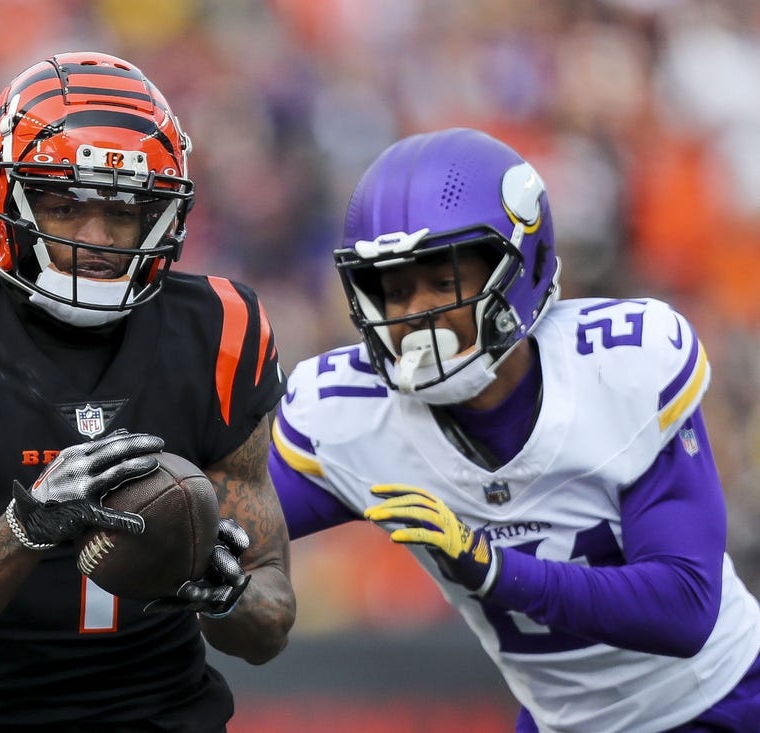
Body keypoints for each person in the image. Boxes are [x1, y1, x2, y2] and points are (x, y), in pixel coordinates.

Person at [0, 51, 295, 732]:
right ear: (4, 201)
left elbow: (271, 619)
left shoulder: (223, 328)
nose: (97, 239)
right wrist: (26, 527)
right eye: (64, 206)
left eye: (123, 211)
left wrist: (229, 594)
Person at [269, 127, 760, 732]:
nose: (416, 313)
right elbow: (216, 526)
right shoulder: (353, 415)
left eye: (444, 281)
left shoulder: (619, 369)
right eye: (394, 290)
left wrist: (496, 569)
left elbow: (683, 609)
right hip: (564, 722)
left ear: (520, 268)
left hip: (724, 702)